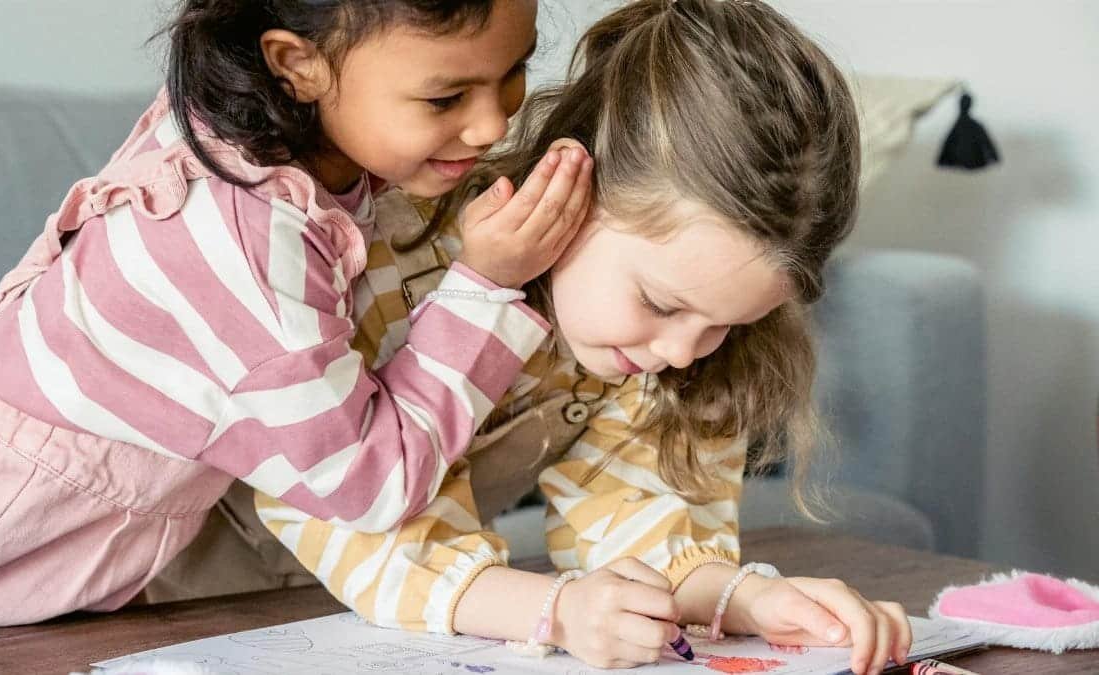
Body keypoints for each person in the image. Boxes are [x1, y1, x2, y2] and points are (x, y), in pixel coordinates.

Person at [246, 1, 913, 674]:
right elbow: (357, 515)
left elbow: (633, 511)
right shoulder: (385, 256)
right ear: (575, 184)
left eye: (726, 323)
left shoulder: (645, 346)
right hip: (196, 600)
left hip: (360, 629)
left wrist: (749, 599)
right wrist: (557, 610)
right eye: (659, 302)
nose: (684, 349)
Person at [0, 0, 596, 633]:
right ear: (298, 64)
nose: (494, 123)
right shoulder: (242, 240)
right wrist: (486, 286)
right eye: (445, 96)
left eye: (515, 69)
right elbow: (369, 485)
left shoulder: (280, 131)